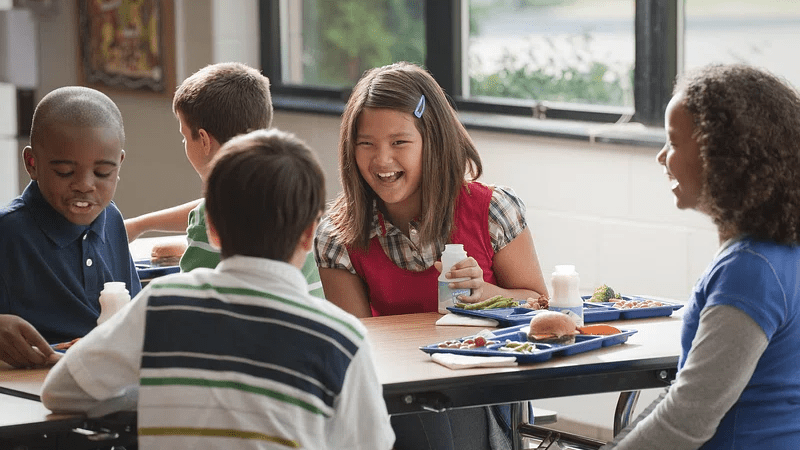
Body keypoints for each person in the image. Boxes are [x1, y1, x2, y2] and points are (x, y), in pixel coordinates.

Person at [42, 128, 396, 450]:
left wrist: (155, 391)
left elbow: (60, 391)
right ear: (310, 234)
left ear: (210, 228)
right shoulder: (342, 339)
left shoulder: (163, 305)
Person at [314, 61, 548, 449]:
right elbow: (358, 352)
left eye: (399, 142)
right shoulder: (338, 235)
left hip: (479, 392)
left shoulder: (493, 210)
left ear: (432, 141)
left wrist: (486, 294)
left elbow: (540, 306)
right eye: (366, 144)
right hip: (391, 396)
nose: (381, 160)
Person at [603, 64, 800, 449]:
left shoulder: (749, 269)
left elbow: (686, 419)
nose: (662, 157)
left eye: (674, 142)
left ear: (723, 155)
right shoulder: (781, 250)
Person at [123, 62, 324, 298]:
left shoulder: (206, 220)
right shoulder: (290, 198)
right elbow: (206, 206)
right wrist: (140, 225)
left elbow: (192, 304)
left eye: (184, 137)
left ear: (204, 140)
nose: (184, 144)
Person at [0, 86, 140, 368]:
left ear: (119, 164)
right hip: (32, 384)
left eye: (102, 172)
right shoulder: (8, 232)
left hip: (105, 374)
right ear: (32, 163)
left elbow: (134, 315)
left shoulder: (111, 218)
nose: (85, 185)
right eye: (65, 172)